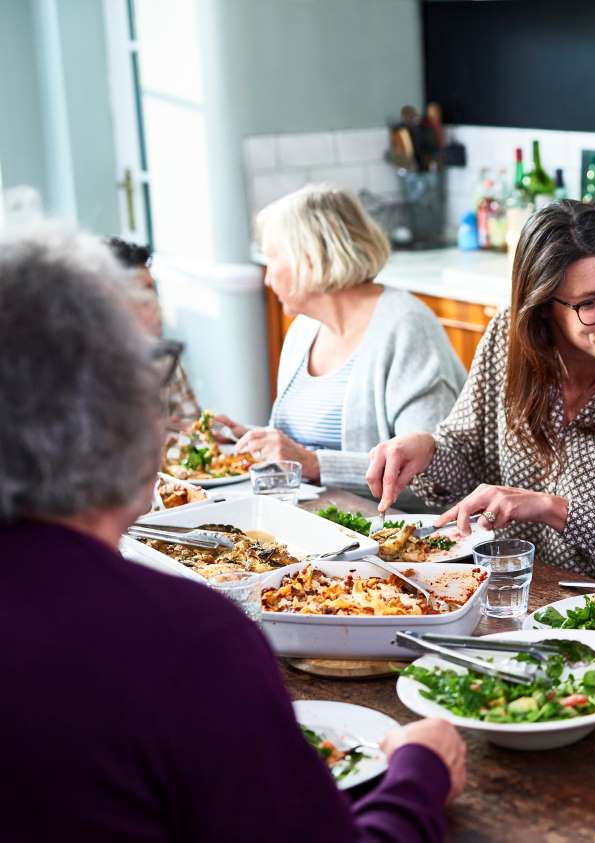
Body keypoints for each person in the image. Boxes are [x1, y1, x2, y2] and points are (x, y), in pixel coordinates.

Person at [0, 224, 466, 842]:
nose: (169, 412)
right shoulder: (190, 643)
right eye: (155, 373)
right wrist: (420, 774)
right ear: (101, 409)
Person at [367, 200, 595, 589]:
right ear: (542, 308)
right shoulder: (509, 335)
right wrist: (427, 451)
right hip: (498, 589)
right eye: (591, 302)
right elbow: (467, 465)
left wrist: (552, 510)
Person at [218, 184, 465, 496]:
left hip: (384, 534)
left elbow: (434, 479)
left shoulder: (406, 328)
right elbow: (302, 449)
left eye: (271, 260)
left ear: (308, 258)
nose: (267, 278)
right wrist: (248, 440)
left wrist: (314, 464)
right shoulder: (303, 329)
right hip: (313, 521)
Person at [106, 236, 202, 424]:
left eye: (153, 290)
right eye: (144, 290)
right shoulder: (88, 374)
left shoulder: (164, 357)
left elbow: (193, 424)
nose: (155, 302)